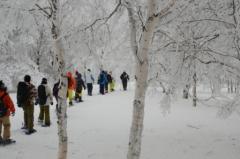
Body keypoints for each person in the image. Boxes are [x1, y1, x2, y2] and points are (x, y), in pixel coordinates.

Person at [0, 81, 15, 145]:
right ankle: (6, 139)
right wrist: (13, 110)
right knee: (6, 125)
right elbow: (10, 103)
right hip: (4, 114)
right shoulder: (5, 94)